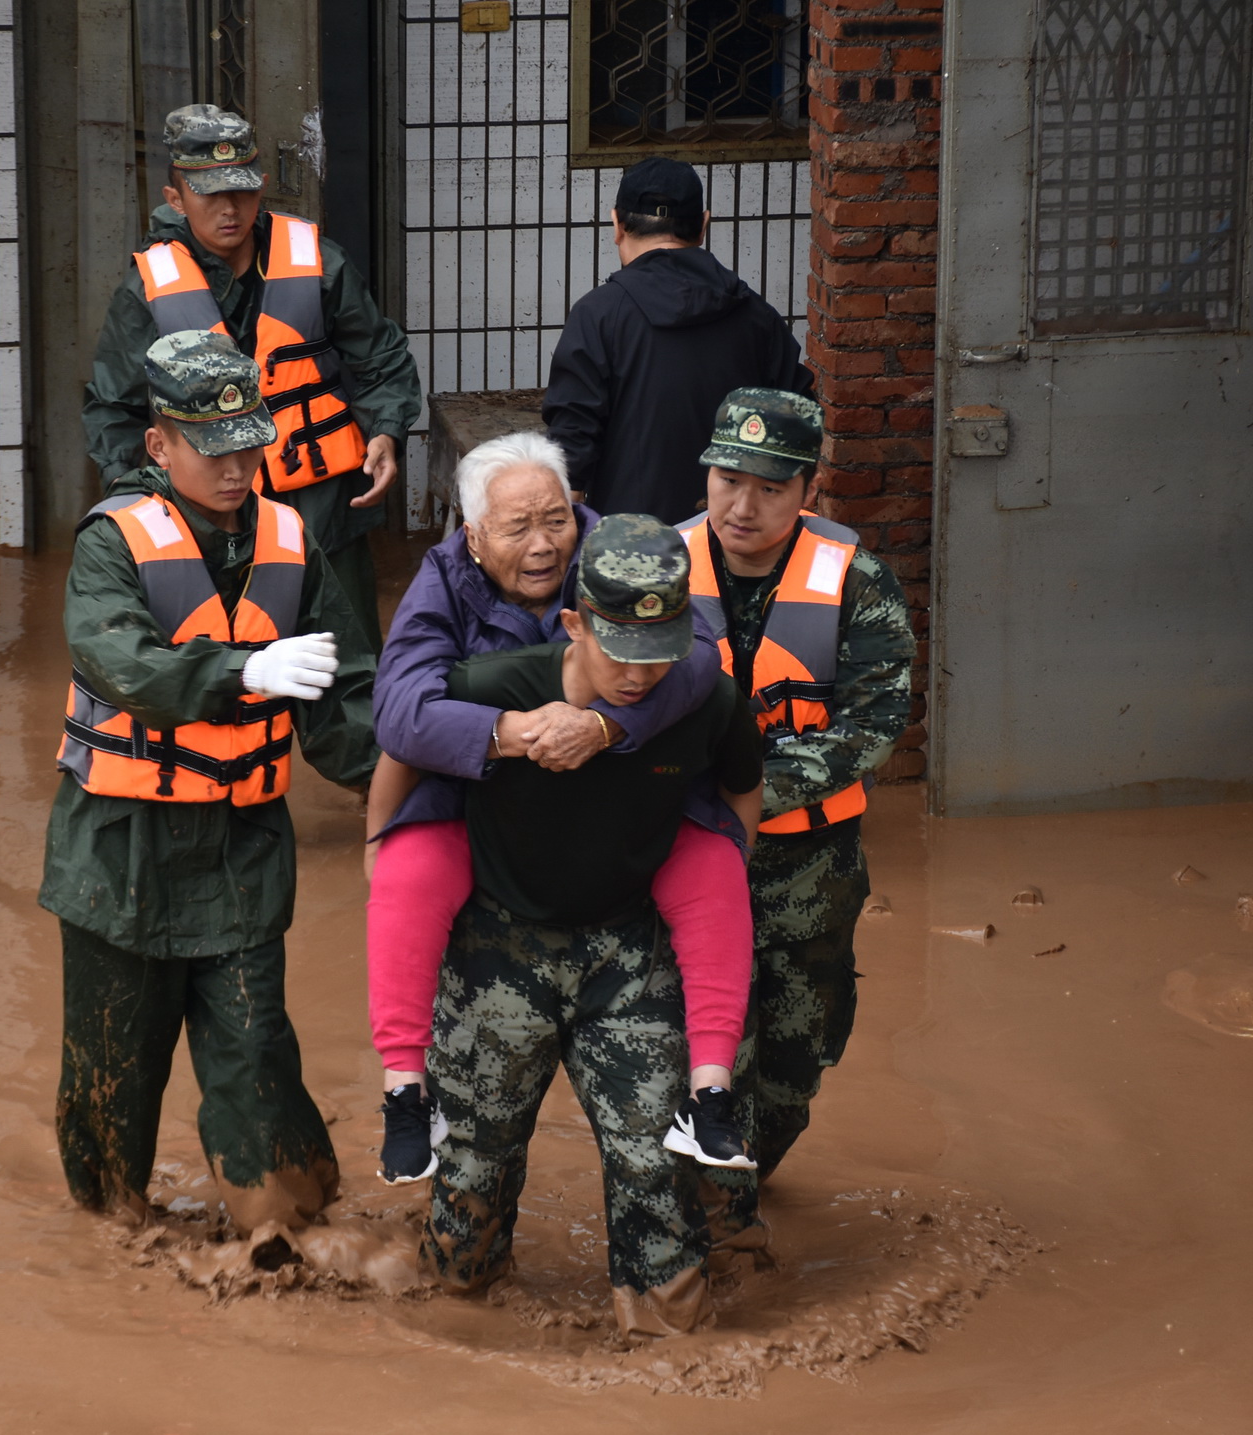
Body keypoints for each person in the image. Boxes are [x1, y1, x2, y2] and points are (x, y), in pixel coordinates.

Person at [41, 329, 379, 1231]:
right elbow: (117, 659)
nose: (237, 467)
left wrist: (431, 774)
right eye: (211, 446)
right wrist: (241, 673)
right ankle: (110, 1235)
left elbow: (346, 703)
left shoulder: (290, 538)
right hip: (121, 854)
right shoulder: (115, 543)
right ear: (159, 446)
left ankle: (287, 1228)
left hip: (240, 853)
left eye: (249, 444)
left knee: (257, 1053)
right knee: (113, 1073)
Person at [360, 432, 756, 1187]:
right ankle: (404, 1094)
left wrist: (607, 725)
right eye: (518, 528)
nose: (544, 546)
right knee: (410, 873)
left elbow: (700, 659)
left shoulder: (622, 556)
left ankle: (712, 1098)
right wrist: (508, 733)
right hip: (487, 802)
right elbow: (401, 719)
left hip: (628, 805)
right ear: (472, 535)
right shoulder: (443, 585)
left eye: (557, 519)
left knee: (710, 870)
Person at [420, 515, 764, 1339]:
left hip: (628, 947)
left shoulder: (703, 697)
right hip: (500, 946)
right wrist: (383, 855)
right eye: (620, 650)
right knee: (474, 1157)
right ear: (573, 623)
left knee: (655, 1156)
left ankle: (669, 1339)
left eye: (659, 650)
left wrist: (719, 878)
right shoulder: (493, 686)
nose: (641, 674)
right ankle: (457, 1317)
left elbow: (742, 789)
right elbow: (402, 744)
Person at [673, 389, 916, 1257]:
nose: (742, 505)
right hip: (688, 856)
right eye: (728, 478)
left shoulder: (859, 583)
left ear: (807, 490)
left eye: (769, 488)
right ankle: (716, 1231)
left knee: (794, 1059)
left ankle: (743, 1173)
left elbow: (877, 719)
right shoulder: (654, 572)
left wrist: (753, 788)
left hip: (810, 865)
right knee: (708, 1050)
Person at [83, 104, 422, 643]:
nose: (230, 209)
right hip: (205, 521)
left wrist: (386, 430)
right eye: (209, 194)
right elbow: (113, 408)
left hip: (321, 507)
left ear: (261, 185)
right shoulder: (146, 292)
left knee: (346, 674)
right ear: (176, 198)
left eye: (241, 190)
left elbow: (381, 358)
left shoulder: (320, 265)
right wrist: (136, 501)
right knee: (224, 669)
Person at [541, 156, 812, 525]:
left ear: (616, 224)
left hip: (630, 551)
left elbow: (571, 452)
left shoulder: (598, 315)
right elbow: (798, 427)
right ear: (703, 225)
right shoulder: (755, 316)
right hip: (735, 542)